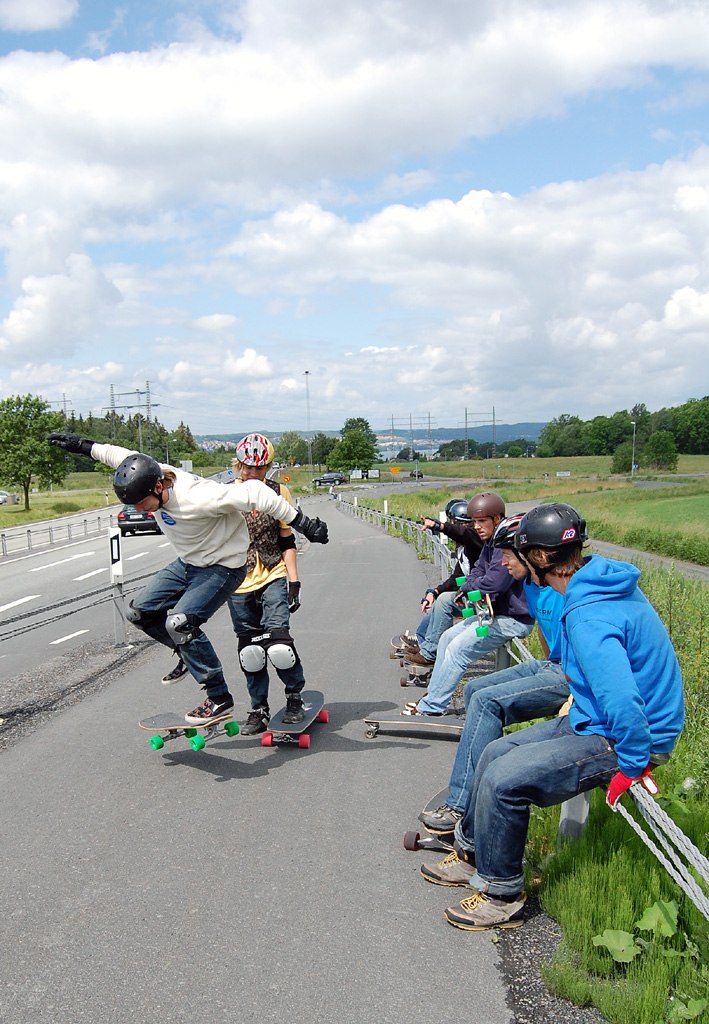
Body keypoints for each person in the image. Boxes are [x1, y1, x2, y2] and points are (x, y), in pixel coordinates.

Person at [424, 502, 684, 931]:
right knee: (494, 752)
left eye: (518, 554)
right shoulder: (596, 583)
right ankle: (472, 852)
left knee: (505, 780)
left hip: (628, 736)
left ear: (541, 558)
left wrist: (634, 763)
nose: (509, 563)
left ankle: (502, 893)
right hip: (596, 717)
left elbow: (621, 697)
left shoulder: (587, 614)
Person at [47, 431, 329, 724]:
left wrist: (305, 524)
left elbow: (259, 493)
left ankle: (219, 697)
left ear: (158, 487)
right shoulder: (151, 473)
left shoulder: (199, 497)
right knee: (139, 612)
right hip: (190, 563)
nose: (140, 511)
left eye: (143, 504)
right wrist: (83, 446)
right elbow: (118, 455)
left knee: (181, 623)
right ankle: (186, 653)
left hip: (225, 566)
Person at [418, 513, 570, 839]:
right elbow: (546, 633)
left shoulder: (565, 591)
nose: (502, 563)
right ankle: (479, 770)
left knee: (486, 701)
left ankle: (459, 804)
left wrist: (573, 696)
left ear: (532, 556)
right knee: (473, 690)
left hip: (574, 677)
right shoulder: (533, 586)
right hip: (555, 664)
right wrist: (548, 662)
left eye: (507, 556)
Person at [403, 492, 534, 716]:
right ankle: (433, 696)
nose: (477, 527)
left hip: (512, 619)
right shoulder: (491, 542)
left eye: (482, 521)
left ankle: (432, 706)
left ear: (497, 518)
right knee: (447, 638)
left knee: (458, 650)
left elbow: (494, 582)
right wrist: (468, 586)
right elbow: (477, 571)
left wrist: (471, 586)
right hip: (493, 614)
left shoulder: (506, 545)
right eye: (474, 521)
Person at [225, 433, 309, 733]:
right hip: (237, 581)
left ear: (268, 467)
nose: (252, 473)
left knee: (279, 645)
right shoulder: (225, 494)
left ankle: (294, 697)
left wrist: (294, 581)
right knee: (251, 652)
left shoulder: (278, 492)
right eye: (247, 467)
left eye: (259, 468)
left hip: (273, 573)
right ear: (239, 465)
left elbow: (287, 539)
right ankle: (258, 708)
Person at [398, 498, 483, 662]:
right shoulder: (463, 549)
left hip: (482, 601)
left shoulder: (475, 542)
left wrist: (439, 526)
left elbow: (464, 533)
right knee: (439, 602)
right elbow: (456, 579)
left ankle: (429, 653)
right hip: (471, 597)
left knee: (444, 603)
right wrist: (434, 592)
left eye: (453, 524)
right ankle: (423, 644)